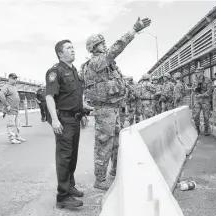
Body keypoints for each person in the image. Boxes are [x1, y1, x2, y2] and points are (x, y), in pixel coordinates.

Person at [82, 17, 151, 190]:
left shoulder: (107, 63)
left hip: (114, 108)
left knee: (116, 143)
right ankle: (100, 179)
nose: (104, 45)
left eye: (103, 42)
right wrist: (133, 30)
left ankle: (114, 170)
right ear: (93, 48)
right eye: (100, 43)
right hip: (105, 110)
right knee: (104, 144)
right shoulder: (96, 62)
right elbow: (116, 48)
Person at [45, 40, 87, 209]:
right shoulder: (55, 71)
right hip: (63, 120)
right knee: (64, 158)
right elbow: (49, 97)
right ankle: (62, 196)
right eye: (68, 48)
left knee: (73, 157)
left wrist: (82, 112)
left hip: (75, 119)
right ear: (60, 54)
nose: (73, 50)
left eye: (73, 47)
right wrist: (54, 119)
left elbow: (75, 96)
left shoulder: (74, 71)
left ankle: (69, 186)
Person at [0, 73, 26, 144]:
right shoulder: (6, 87)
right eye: (13, 78)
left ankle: (17, 136)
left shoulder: (14, 87)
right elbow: (1, 95)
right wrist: (6, 105)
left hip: (16, 109)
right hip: (10, 109)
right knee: (11, 124)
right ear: (9, 78)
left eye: (16, 78)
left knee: (17, 124)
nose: (15, 80)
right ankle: (12, 138)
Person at [192, 67, 213, 136]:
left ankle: (206, 129)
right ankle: (197, 128)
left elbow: (209, 91)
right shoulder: (195, 80)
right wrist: (196, 92)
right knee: (195, 115)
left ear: (202, 72)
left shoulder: (207, 80)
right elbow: (193, 90)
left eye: (197, 72)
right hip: (197, 100)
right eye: (196, 72)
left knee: (206, 116)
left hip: (205, 100)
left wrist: (202, 95)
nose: (196, 73)